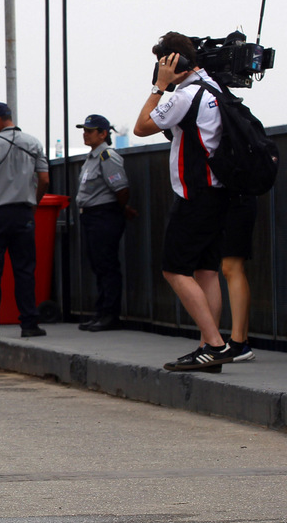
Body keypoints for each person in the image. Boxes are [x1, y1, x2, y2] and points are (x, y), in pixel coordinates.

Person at [133, 33, 233, 371]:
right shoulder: (214, 88)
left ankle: (215, 344)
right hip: (219, 191)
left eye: (162, 62)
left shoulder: (184, 96)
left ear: (171, 62)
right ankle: (208, 345)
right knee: (206, 271)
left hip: (194, 193)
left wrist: (160, 86)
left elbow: (141, 127)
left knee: (174, 269)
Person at [0, 102, 50, 338]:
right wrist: (33, 202)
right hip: (23, 213)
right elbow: (44, 179)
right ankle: (29, 324)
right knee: (25, 270)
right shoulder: (33, 142)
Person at [75, 114, 135, 332]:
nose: (85, 134)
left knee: (107, 265)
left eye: (90, 131)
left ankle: (110, 315)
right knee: (98, 264)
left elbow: (121, 189)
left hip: (104, 216)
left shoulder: (106, 156)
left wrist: (118, 209)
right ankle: (101, 312)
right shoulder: (92, 158)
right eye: (85, 130)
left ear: (103, 134)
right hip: (92, 216)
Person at [221, 194, 258, 363]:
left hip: (237, 200)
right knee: (231, 268)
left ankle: (239, 342)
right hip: (235, 200)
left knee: (232, 267)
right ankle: (241, 339)